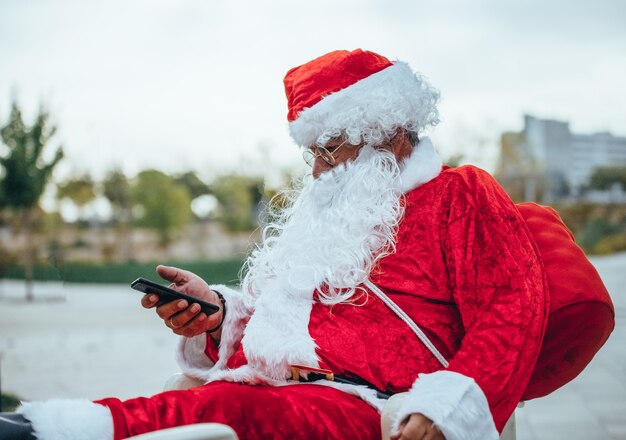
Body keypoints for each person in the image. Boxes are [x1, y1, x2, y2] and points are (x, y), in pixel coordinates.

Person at [2, 49, 548, 440]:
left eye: (330, 148)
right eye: (312, 152)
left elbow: (513, 312)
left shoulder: (460, 195)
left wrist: (445, 410)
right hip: (278, 389)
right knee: (214, 404)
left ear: (391, 132)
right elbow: (281, 323)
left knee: (224, 413)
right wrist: (216, 316)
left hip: (373, 405)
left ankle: (52, 429)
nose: (317, 169)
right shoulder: (332, 208)